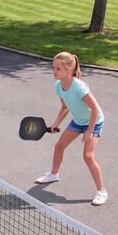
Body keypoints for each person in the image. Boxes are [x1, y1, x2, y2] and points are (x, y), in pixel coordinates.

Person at [35, 52, 107, 206]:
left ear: (69, 69)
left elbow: (95, 109)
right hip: (78, 121)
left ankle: (101, 191)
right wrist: (56, 123)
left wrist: (89, 131)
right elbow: (65, 106)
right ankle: (54, 174)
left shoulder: (79, 86)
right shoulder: (58, 86)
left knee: (88, 156)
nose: (54, 71)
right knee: (59, 146)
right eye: (53, 67)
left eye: (58, 68)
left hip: (94, 122)